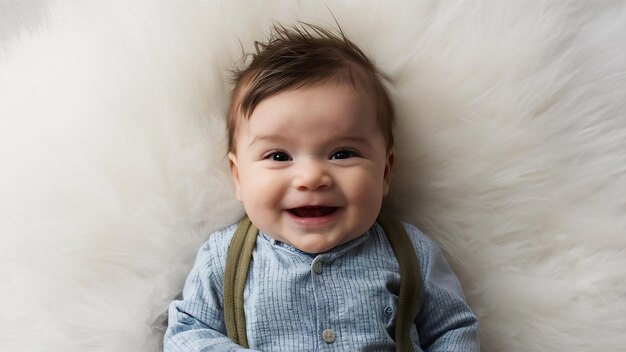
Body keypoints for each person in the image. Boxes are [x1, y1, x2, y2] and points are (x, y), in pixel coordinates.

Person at [164, 22, 479, 351]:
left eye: (342, 153)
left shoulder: (409, 253)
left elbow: (452, 328)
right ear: (239, 177)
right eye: (279, 155)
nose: (311, 177)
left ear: (385, 173)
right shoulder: (225, 258)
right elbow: (187, 331)